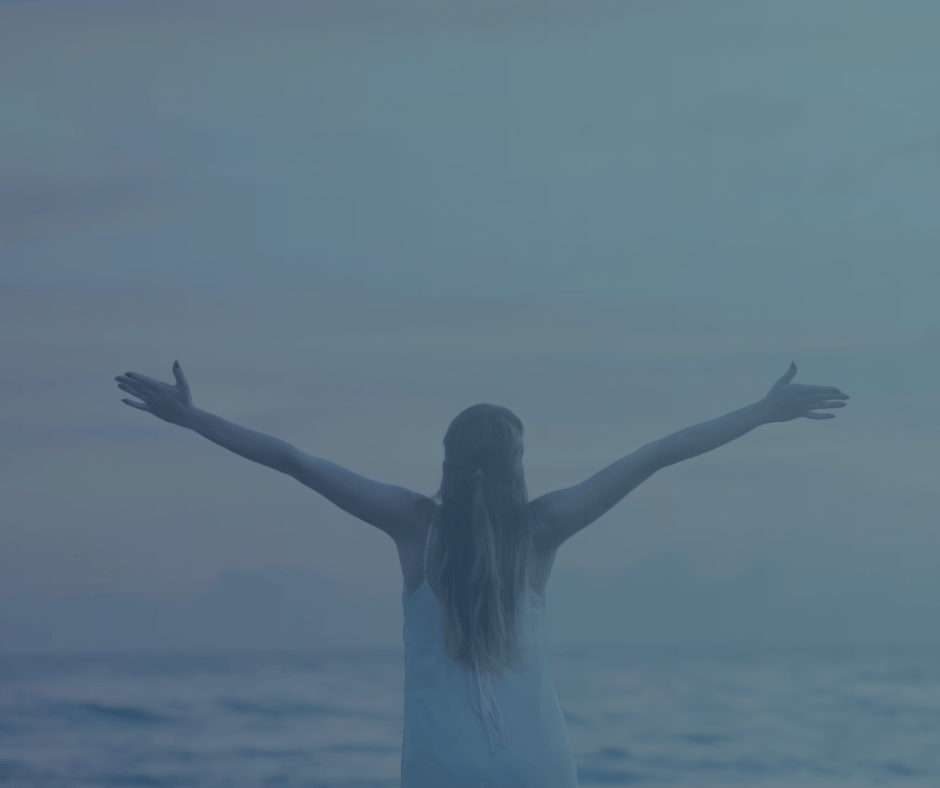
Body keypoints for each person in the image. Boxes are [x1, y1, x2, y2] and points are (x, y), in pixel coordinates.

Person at [115, 360, 848, 786]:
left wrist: (193, 419)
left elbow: (297, 462)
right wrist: (759, 412)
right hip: (539, 761)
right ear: (517, 463)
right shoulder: (544, 527)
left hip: (441, 765)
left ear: (447, 456)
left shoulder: (412, 525)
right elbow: (657, 453)